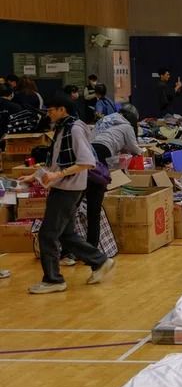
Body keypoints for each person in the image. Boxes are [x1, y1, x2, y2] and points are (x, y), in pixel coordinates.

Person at [19, 93, 114, 294]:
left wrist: (57, 175)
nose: (48, 113)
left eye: (51, 110)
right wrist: (35, 176)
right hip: (65, 187)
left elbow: (87, 162)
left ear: (63, 110)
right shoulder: (63, 128)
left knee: (48, 234)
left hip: (68, 189)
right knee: (66, 233)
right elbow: (53, 162)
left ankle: (53, 280)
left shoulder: (75, 129)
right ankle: (99, 260)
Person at [87, 105, 144, 248]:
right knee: (98, 192)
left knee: (89, 190)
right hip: (102, 150)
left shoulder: (107, 119)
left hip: (88, 150)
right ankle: (93, 246)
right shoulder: (126, 126)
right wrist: (142, 151)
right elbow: (133, 147)